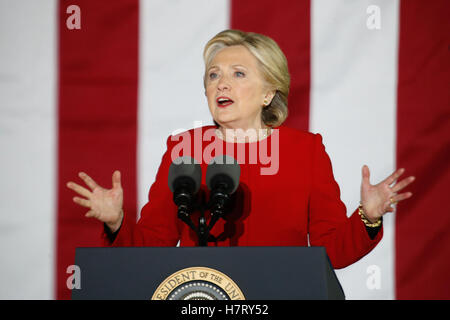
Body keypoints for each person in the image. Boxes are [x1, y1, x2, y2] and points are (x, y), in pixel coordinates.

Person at [66, 29, 415, 269]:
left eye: (238, 73)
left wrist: (368, 216)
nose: (222, 83)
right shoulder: (183, 149)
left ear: (268, 93)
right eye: (213, 75)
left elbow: (332, 251)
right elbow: (153, 245)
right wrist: (117, 223)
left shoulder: (305, 151)